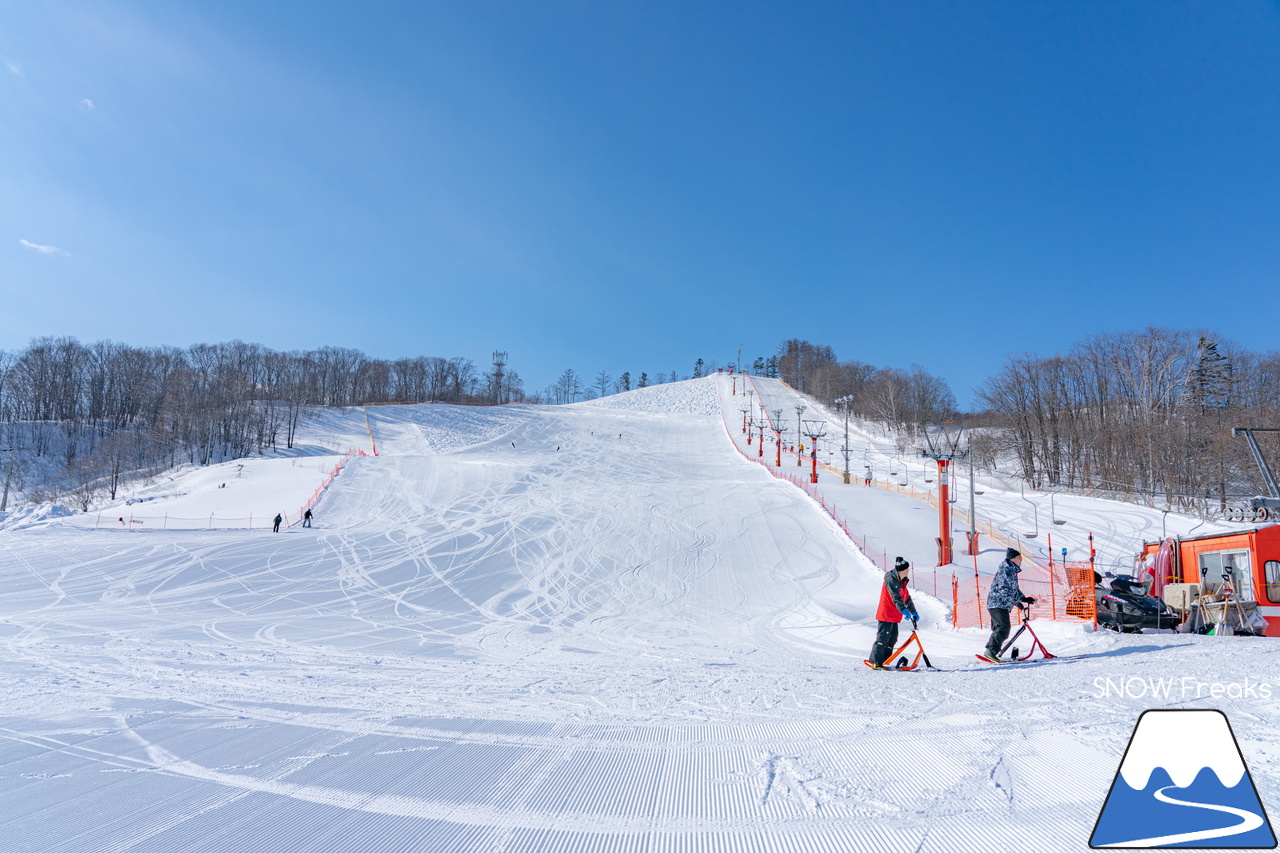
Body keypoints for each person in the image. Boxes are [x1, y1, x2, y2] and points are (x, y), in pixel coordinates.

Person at [981, 548, 1035, 661]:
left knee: (1000, 628)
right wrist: (1016, 602)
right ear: (1012, 559)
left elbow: (1013, 589)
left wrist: (1024, 598)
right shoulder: (1006, 570)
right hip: (998, 603)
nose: (1021, 560)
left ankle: (993, 651)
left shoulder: (1010, 570)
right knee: (1003, 628)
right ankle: (990, 651)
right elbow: (1003, 590)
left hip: (999, 604)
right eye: (1019, 558)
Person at [868, 557, 919, 670]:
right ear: (901, 570)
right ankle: (876, 662)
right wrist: (903, 610)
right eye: (906, 570)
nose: (908, 571)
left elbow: (907, 598)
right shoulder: (891, 580)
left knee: (892, 639)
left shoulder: (902, 581)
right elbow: (896, 597)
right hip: (886, 614)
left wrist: (913, 611)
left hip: (894, 615)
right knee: (883, 638)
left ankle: (885, 661)